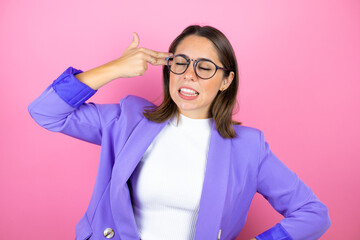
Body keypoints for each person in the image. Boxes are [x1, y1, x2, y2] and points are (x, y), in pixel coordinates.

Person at [28, 25, 331, 240]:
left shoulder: (249, 148)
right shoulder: (129, 120)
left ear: (225, 81)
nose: (188, 74)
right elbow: (45, 112)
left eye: (205, 67)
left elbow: (313, 213)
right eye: (181, 62)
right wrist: (116, 68)